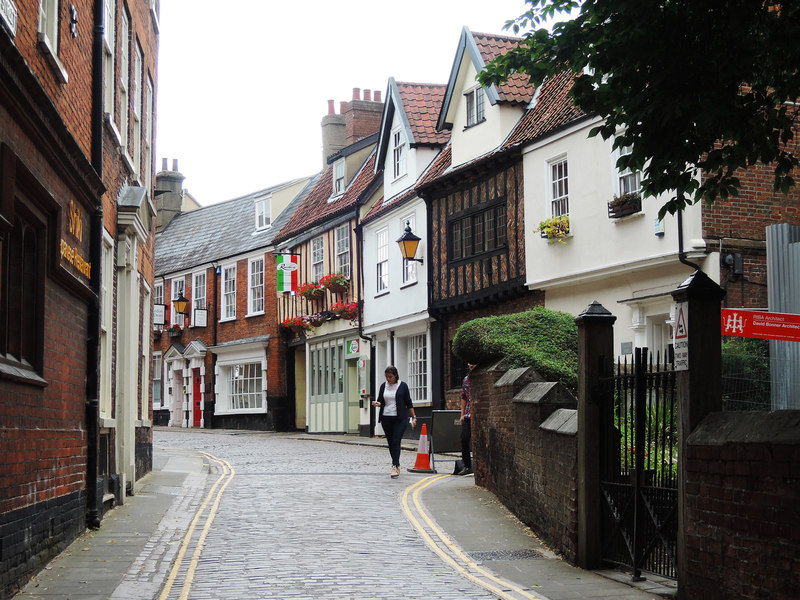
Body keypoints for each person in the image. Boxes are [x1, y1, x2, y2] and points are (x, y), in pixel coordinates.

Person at [372, 366, 416, 478]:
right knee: (391, 442)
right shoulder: (383, 386)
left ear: (395, 375)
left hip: (400, 418)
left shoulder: (403, 386)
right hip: (386, 417)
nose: (388, 379)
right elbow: (381, 401)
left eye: (390, 376)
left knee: (396, 441)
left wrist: (414, 417)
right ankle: (396, 464)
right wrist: (378, 404)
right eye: (386, 376)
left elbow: (408, 402)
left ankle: (395, 466)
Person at [459, 363, 476, 476]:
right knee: (464, 438)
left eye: (473, 364)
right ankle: (467, 466)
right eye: (469, 364)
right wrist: (462, 414)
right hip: (468, 415)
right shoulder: (466, 379)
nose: (471, 365)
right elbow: (464, 397)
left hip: (479, 415)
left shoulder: (482, 378)